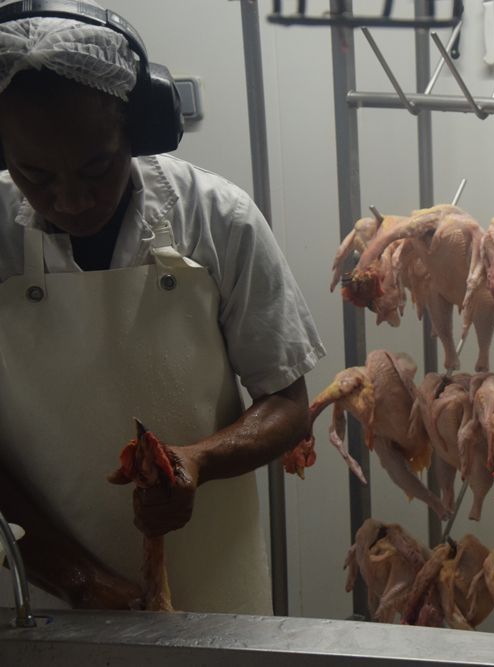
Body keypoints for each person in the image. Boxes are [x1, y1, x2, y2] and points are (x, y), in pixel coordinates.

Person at [0, 0, 325, 614]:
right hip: (35, 586)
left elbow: (286, 403)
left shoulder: (216, 218)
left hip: (212, 581)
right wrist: (72, 576)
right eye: (33, 174)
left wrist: (196, 461)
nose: (68, 199)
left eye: (97, 168)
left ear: (136, 129)